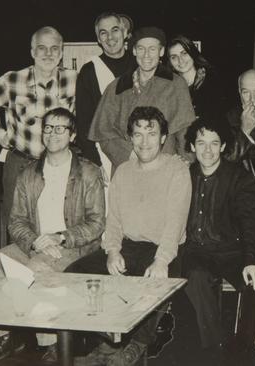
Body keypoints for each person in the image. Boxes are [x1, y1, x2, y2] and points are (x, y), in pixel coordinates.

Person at [0, 108, 105, 365]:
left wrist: (61, 237)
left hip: (72, 246)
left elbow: (97, 223)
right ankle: (5, 335)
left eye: (60, 128)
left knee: (36, 269)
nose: (52, 134)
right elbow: (16, 221)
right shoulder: (29, 173)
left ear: (72, 135)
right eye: (48, 128)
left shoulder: (89, 173)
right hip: (33, 243)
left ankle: (53, 344)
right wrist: (34, 241)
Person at [67, 106, 191, 366]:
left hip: (161, 249)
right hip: (126, 246)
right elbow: (114, 220)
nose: (144, 141)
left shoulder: (177, 170)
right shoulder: (123, 171)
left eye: (151, 133)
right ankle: (106, 340)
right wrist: (112, 251)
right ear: (131, 138)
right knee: (74, 275)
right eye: (137, 134)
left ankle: (136, 345)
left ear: (163, 137)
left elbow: (175, 224)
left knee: (147, 283)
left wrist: (161, 260)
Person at [0, 26, 77, 246]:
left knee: (58, 224)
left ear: (61, 52)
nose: (48, 54)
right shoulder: (12, 80)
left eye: (54, 49)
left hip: (60, 166)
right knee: (18, 228)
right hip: (21, 164)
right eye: (42, 48)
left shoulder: (73, 79)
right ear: (32, 52)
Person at [182, 117, 255, 357]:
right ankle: (216, 349)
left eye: (214, 143)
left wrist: (252, 259)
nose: (208, 150)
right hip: (197, 252)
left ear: (223, 146)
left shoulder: (239, 177)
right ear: (192, 146)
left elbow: (250, 221)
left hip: (231, 250)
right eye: (201, 143)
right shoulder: (183, 176)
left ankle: (245, 346)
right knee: (196, 278)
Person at [88, 26, 195, 170]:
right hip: (127, 168)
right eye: (141, 49)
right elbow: (104, 133)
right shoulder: (117, 87)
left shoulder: (175, 84)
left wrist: (186, 164)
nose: (146, 55)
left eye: (152, 49)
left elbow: (185, 133)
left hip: (165, 169)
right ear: (133, 51)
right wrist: (131, 156)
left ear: (161, 51)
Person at [76, 12, 136, 174]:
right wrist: (95, 161)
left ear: (124, 33)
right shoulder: (89, 71)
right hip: (104, 155)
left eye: (115, 30)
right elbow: (83, 122)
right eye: (103, 33)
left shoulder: (139, 64)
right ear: (98, 39)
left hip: (144, 149)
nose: (110, 37)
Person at [166, 35, 225, 121]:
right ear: (170, 62)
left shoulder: (212, 81)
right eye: (174, 57)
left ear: (192, 53)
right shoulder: (170, 87)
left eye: (184, 53)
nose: (180, 60)